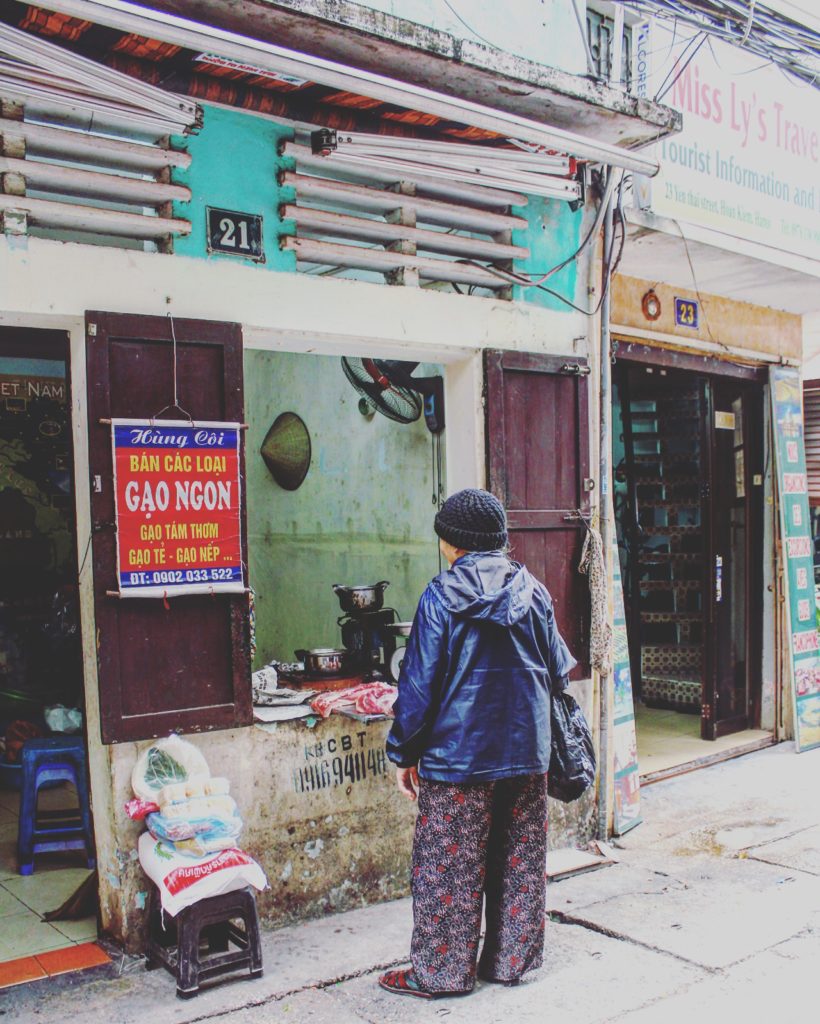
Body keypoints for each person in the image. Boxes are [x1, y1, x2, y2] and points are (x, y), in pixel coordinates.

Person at [379, 488, 576, 999]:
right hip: (527, 755)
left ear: (451, 543)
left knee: (448, 865)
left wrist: (403, 753)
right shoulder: (533, 591)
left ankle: (441, 974)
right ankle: (511, 962)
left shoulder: (439, 597)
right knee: (520, 859)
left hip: (458, 760)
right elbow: (559, 676)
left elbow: (418, 690)